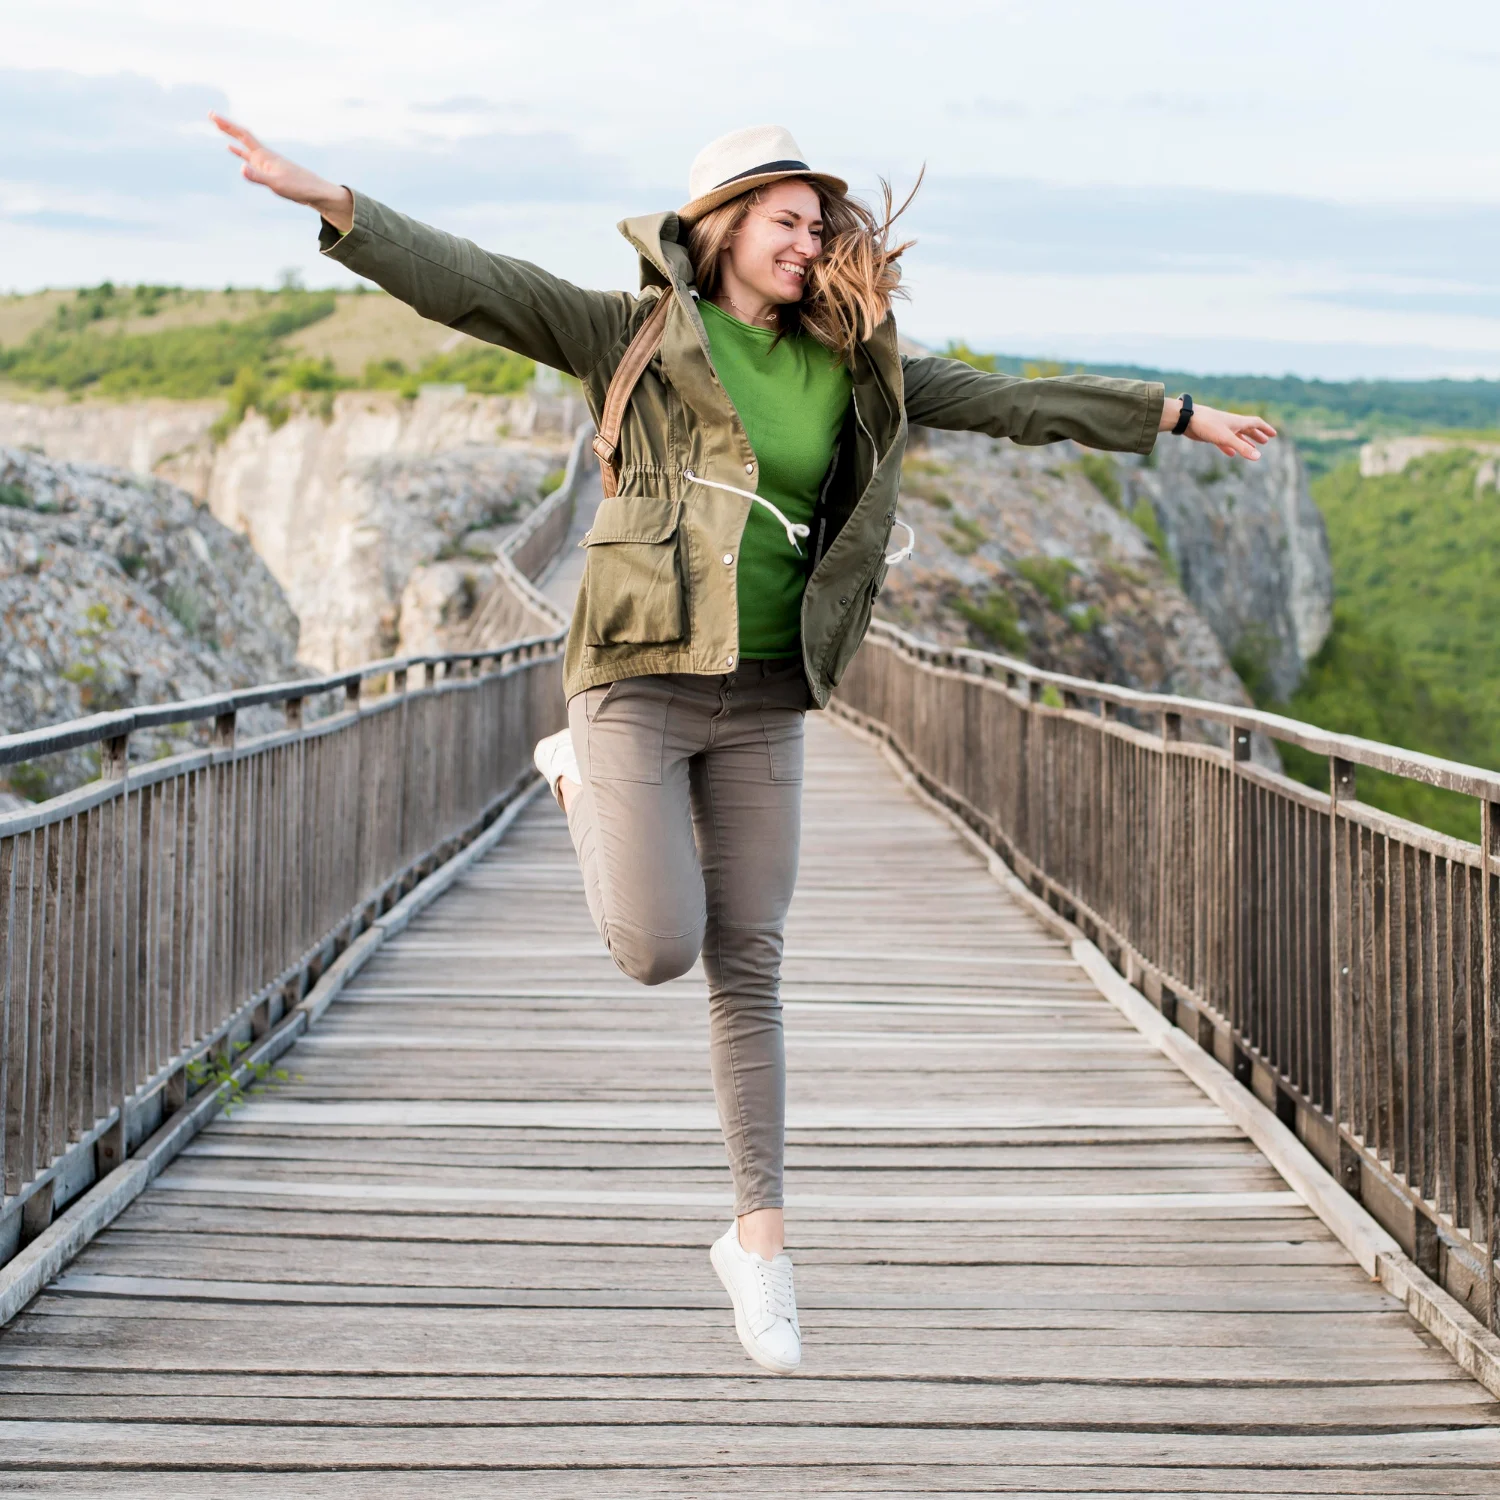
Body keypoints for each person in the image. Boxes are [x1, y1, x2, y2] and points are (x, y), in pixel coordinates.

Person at [212, 114, 1277, 1374]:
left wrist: (1172, 410)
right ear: (723, 226)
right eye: (788, 221)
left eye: (821, 225)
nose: (811, 241)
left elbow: (1010, 403)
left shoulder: (855, 362)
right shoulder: (636, 333)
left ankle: (760, 1249)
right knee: (657, 949)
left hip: (770, 693)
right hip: (637, 678)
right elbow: (474, 287)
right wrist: (329, 201)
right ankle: (573, 768)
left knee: (749, 961)